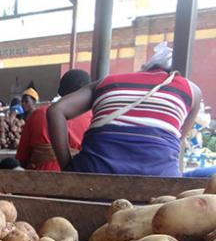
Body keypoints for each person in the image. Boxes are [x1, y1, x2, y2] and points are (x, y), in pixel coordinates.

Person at [47, 43, 201, 176]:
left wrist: (67, 166)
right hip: (160, 177)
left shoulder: (108, 82)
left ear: (143, 70)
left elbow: (56, 110)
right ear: (171, 73)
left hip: (93, 171)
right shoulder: (192, 91)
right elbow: (177, 141)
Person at [16, 69, 91, 171]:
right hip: (78, 178)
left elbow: (23, 158)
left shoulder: (38, 114)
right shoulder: (93, 117)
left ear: (61, 91)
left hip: (40, 179)